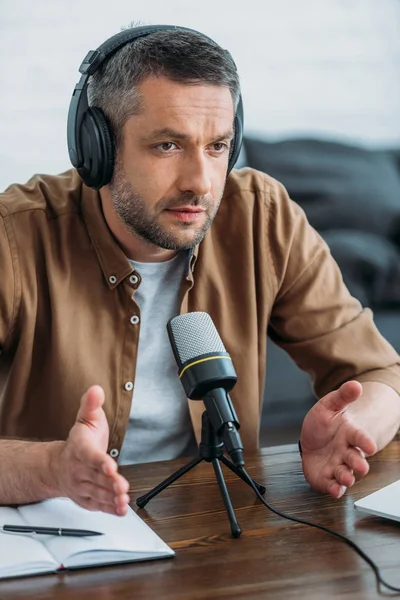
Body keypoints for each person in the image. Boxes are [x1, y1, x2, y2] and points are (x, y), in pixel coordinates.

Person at [1, 25, 400, 518]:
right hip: (57, 540)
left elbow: (381, 373)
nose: (201, 183)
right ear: (97, 148)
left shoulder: (262, 215)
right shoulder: (14, 238)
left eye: (217, 147)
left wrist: (354, 430)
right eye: (168, 146)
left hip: (214, 529)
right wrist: (52, 467)